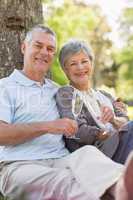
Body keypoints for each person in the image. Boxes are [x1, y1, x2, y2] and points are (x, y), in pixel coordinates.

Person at [0, 24, 131, 200]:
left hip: (63, 159)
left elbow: (83, 110)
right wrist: (47, 127)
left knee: (89, 155)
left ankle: (123, 188)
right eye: (38, 46)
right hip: (20, 165)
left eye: (50, 49)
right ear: (24, 47)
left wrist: (115, 113)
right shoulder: (5, 87)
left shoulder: (57, 90)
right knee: (70, 183)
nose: (44, 52)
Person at [56, 39, 133, 163]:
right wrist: (107, 134)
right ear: (65, 70)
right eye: (73, 63)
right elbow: (77, 130)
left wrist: (113, 120)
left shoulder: (104, 95)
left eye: (84, 61)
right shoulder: (67, 93)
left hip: (120, 144)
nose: (80, 67)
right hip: (97, 152)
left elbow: (125, 121)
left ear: (91, 64)